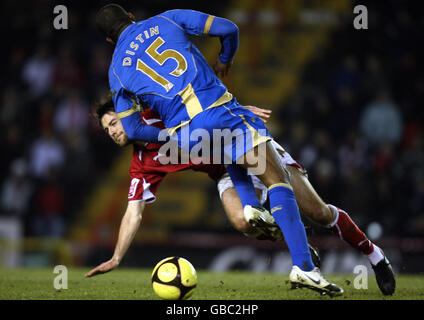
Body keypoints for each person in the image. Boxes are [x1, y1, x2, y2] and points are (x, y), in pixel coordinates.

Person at [95, 4, 342, 296]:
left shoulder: (116, 72)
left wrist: (170, 132)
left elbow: (134, 129)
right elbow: (229, 29)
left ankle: (251, 205)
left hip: (187, 137)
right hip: (219, 112)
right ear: (131, 17)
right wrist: (225, 59)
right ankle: (304, 267)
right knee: (276, 180)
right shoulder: (168, 18)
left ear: (110, 40)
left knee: (228, 152)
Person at [86, 97, 395, 296]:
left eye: (114, 122)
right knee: (243, 220)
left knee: (319, 214)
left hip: (248, 147)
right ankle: (299, 245)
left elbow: (202, 96)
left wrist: (239, 109)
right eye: (107, 129)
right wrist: (116, 257)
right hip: (224, 173)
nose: (112, 131)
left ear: (129, 115)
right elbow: (133, 212)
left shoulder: (159, 110)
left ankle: (374, 255)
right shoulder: (142, 163)